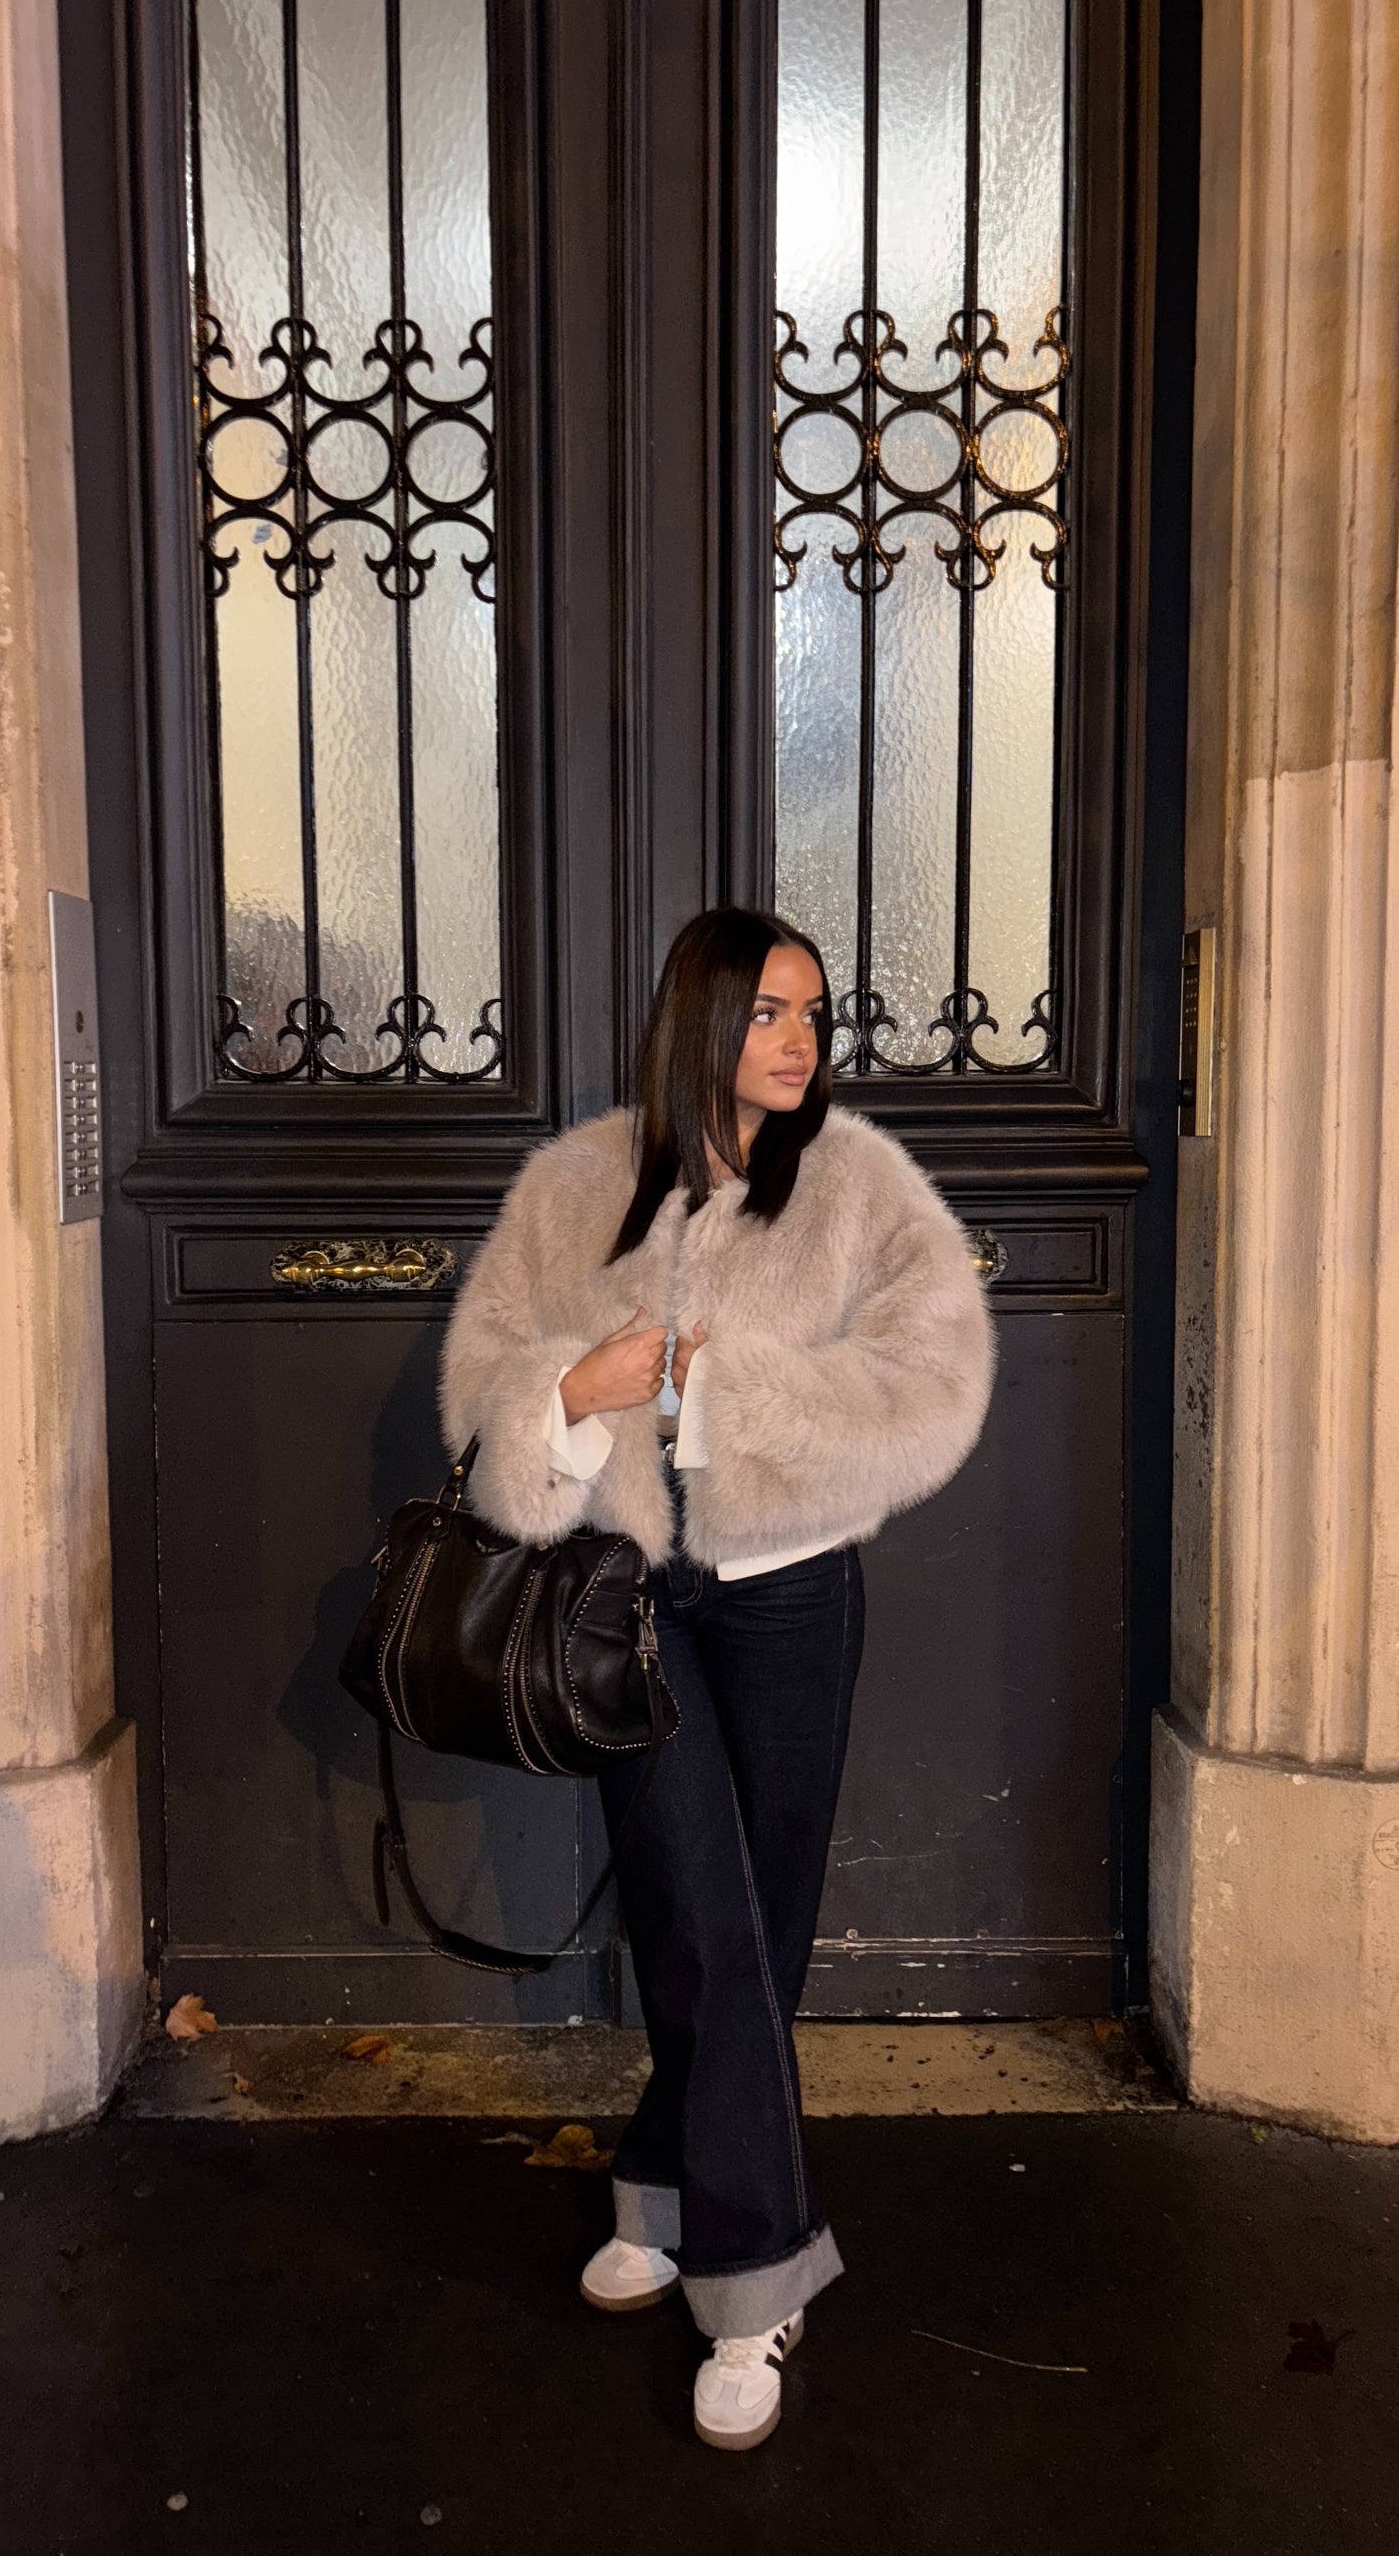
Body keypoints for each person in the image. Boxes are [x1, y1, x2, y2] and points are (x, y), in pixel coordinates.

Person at [439, 906, 995, 2450]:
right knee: (698, 1911)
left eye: (812, 1012)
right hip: (627, 1603)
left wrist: (735, 1394)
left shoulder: (856, 1186)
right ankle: (754, 2279)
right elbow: (479, 1392)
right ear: (700, 1016)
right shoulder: (572, 1188)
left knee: (757, 1928)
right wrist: (575, 1386)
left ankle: (663, 2182)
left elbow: (937, 1379)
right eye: (767, 1010)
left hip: (794, 1592)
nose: (799, 1039)